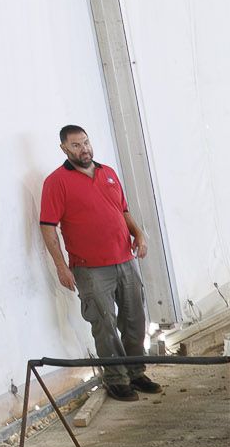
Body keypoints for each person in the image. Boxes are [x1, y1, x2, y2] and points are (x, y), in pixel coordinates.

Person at [38, 124, 155, 400]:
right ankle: (116, 379)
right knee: (104, 324)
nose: (84, 149)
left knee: (135, 319)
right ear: (64, 149)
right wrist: (61, 266)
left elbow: (122, 210)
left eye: (86, 143)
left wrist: (139, 234)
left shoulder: (108, 173)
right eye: (76, 145)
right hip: (90, 268)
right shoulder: (55, 182)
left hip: (125, 259)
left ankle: (136, 372)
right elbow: (47, 227)